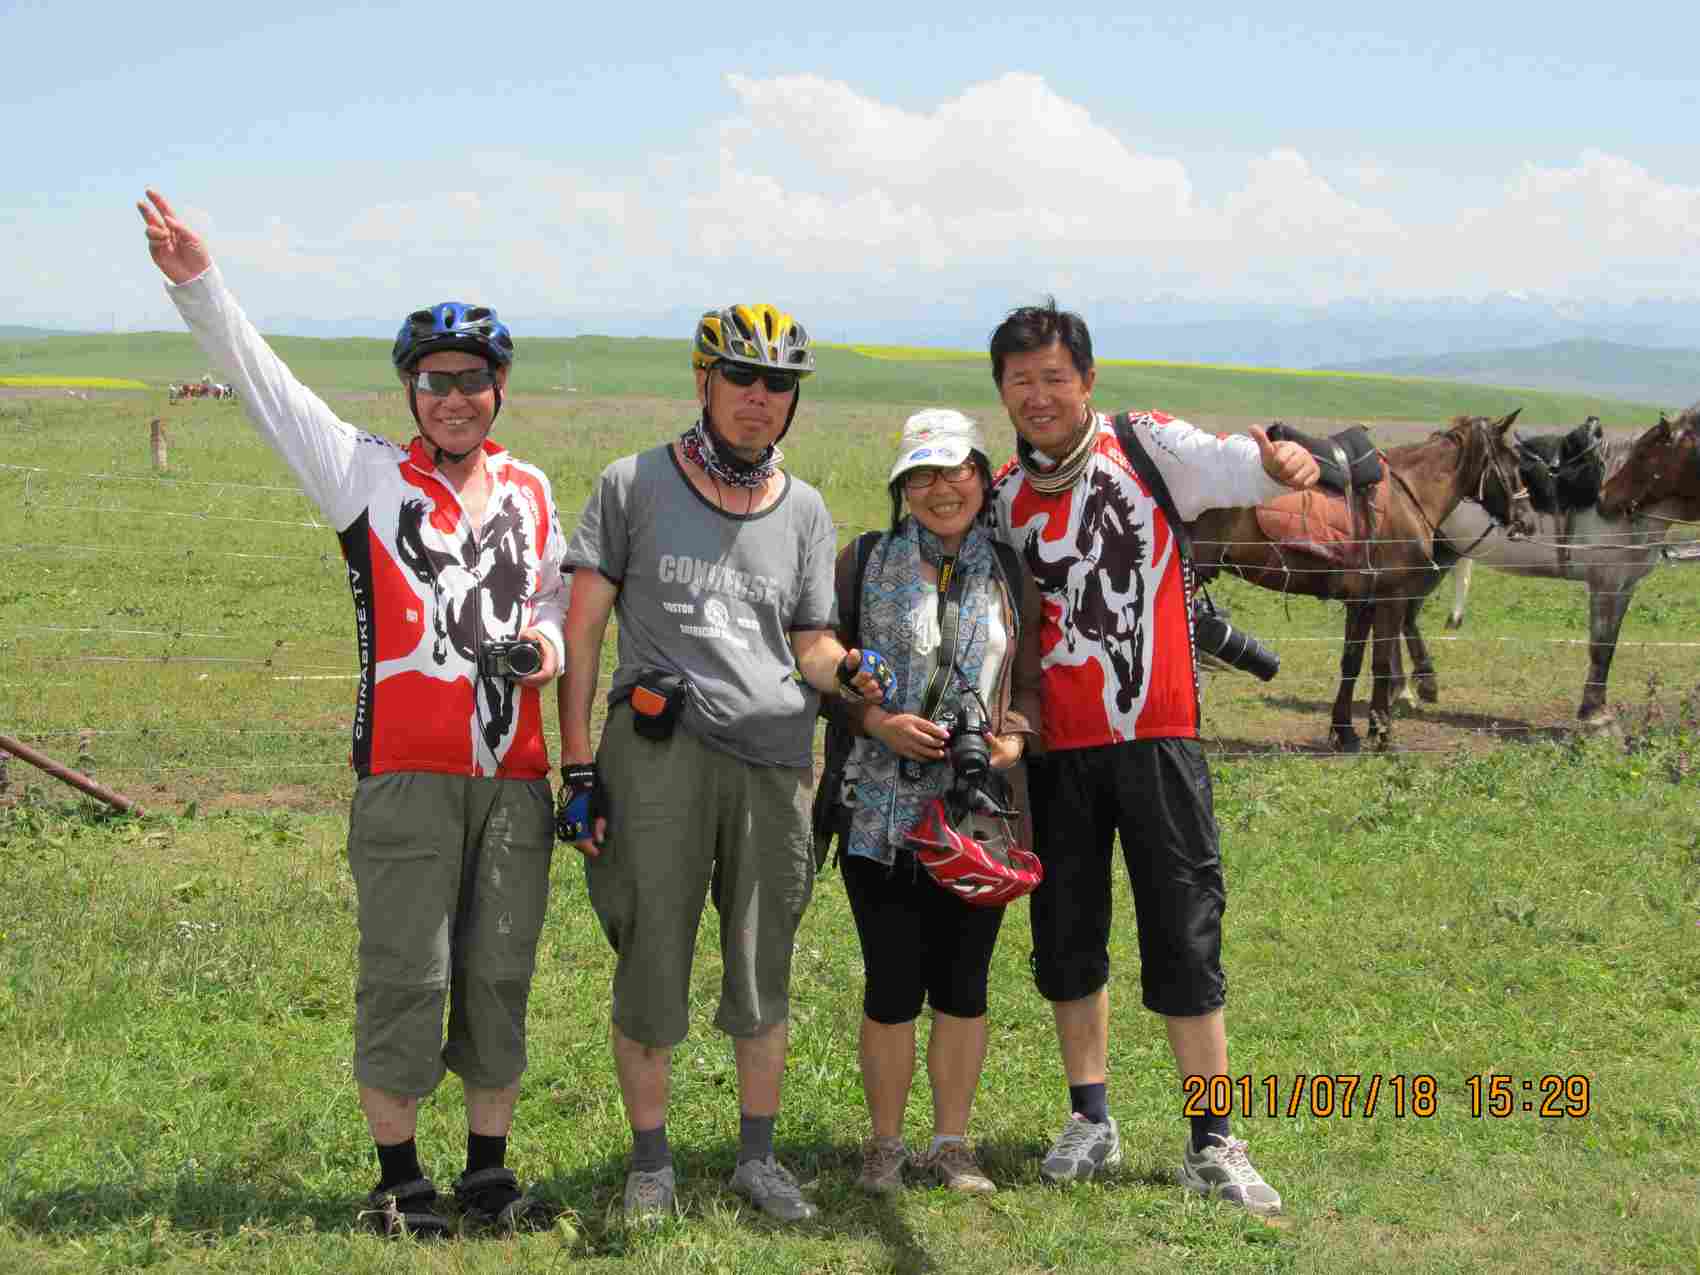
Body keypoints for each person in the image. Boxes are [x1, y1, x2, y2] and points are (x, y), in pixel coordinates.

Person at [138, 190, 568, 1238]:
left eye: (472, 380)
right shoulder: (364, 477)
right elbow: (262, 386)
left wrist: (544, 650)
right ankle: (398, 1179)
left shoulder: (532, 490)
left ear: (499, 388)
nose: (454, 398)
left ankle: (488, 1174)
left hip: (512, 779)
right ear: (410, 390)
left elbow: (553, 603)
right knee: (405, 977)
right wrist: (200, 282)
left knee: (498, 974)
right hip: (405, 778)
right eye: (435, 381)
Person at [983, 299, 1318, 1215]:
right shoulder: (1003, 497)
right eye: (1022, 382)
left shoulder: (1147, 445)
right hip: (1055, 751)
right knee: (1067, 934)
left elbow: (1237, 466)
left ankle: (1213, 1136)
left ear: (1088, 380)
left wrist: (1280, 461)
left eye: (1057, 377)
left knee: (1185, 929)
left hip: (1159, 738)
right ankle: (1089, 1115)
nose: (1041, 396)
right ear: (1003, 394)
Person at [557, 303, 887, 1225]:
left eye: (778, 384)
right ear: (702, 381)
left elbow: (812, 640)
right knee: (652, 956)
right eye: (741, 377)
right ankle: (652, 1163)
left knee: (761, 964)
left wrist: (846, 671)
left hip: (776, 763)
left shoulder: (808, 509)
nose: (759, 398)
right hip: (660, 757)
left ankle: (756, 1156)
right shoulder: (633, 484)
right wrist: (578, 767)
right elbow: (582, 631)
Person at [824, 409, 1042, 1196]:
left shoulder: (1015, 572)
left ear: (983, 478)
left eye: (956, 471)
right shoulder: (862, 560)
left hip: (978, 817)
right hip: (877, 809)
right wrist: (876, 719)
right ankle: (885, 1146)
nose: (941, 488)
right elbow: (826, 676)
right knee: (890, 982)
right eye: (922, 474)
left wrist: (1011, 739)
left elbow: (1032, 685)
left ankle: (952, 1143)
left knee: (964, 982)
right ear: (900, 487)